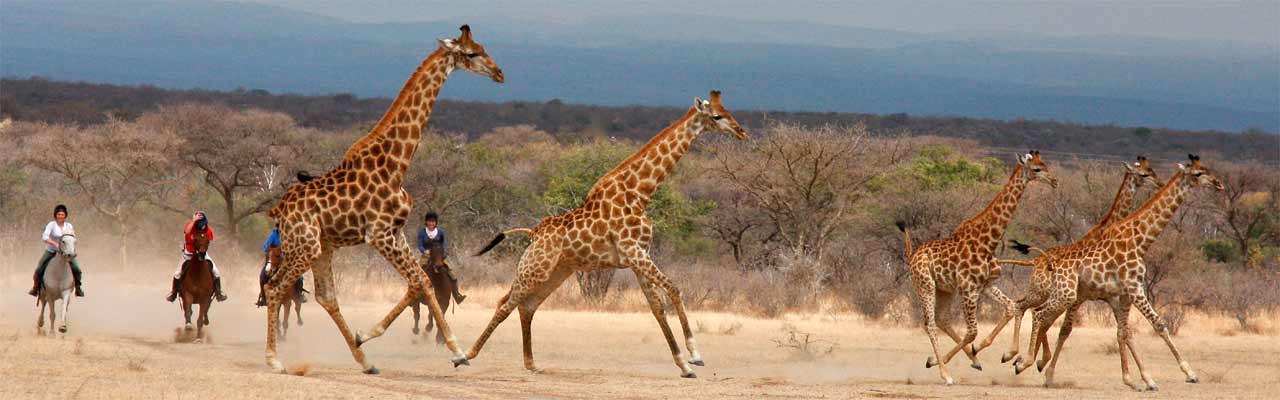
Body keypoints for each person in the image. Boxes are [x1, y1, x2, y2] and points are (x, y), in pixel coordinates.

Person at [167, 211, 227, 302]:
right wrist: (193, 221)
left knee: (216, 272)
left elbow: (209, 240)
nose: (201, 226)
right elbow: (187, 231)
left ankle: (218, 293)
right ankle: (174, 293)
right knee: (177, 273)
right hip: (189, 254)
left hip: (202, 253)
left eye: (202, 223)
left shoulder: (208, 229)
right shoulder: (189, 226)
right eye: (199, 223)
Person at [29, 204, 84, 297]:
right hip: (51, 251)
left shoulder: (69, 226)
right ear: (55, 215)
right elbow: (45, 237)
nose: (60, 216)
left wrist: (72, 248)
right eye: (58, 214)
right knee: (39, 269)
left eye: (62, 214)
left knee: (77, 269)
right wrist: (54, 243)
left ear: (65, 215)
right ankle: (35, 288)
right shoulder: (51, 225)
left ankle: (78, 288)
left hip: (66, 253)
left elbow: (73, 238)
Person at [417, 211, 465, 303]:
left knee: (452, 274)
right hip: (426, 256)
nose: (431, 223)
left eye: (433, 221)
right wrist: (424, 251)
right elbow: (420, 245)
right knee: (416, 274)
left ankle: (457, 295)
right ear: (426, 222)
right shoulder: (422, 233)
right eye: (429, 221)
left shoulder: (440, 232)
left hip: (438, 256)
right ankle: (414, 296)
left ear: (436, 222)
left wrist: (444, 254)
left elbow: (445, 245)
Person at [255, 225, 307, 307]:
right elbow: (266, 246)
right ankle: (264, 298)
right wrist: (270, 250)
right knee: (262, 276)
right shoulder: (274, 235)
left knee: (299, 277)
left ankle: (298, 295)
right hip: (274, 260)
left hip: (288, 260)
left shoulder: (291, 234)